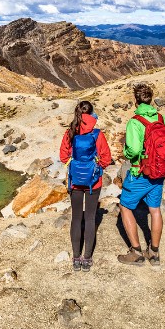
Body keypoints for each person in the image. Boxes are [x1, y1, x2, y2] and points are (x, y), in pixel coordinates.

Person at [118, 82, 165, 266]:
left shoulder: (135, 122)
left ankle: (136, 252)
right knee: (154, 210)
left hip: (141, 173)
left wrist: (128, 153)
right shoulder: (161, 119)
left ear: (135, 101)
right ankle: (154, 253)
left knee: (125, 206)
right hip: (160, 173)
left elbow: (134, 149)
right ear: (151, 99)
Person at [59, 100, 112, 272]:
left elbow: (63, 156)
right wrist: (96, 169)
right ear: (92, 113)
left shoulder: (70, 132)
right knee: (90, 218)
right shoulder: (97, 134)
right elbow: (106, 157)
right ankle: (87, 258)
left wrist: (74, 165)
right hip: (93, 182)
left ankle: (76, 258)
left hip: (75, 181)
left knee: (76, 218)